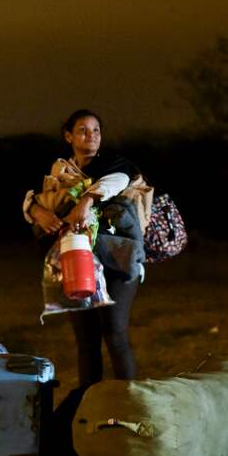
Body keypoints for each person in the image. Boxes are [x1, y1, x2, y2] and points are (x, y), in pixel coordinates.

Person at [23, 109, 144, 388]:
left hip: (117, 260)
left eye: (96, 130)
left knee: (115, 335)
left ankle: (129, 406)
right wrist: (36, 210)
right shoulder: (58, 172)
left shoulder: (114, 163)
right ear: (68, 136)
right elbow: (30, 197)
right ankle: (88, 408)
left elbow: (118, 181)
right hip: (75, 261)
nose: (91, 135)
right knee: (86, 341)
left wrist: (85, 202)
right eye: (83, 130)